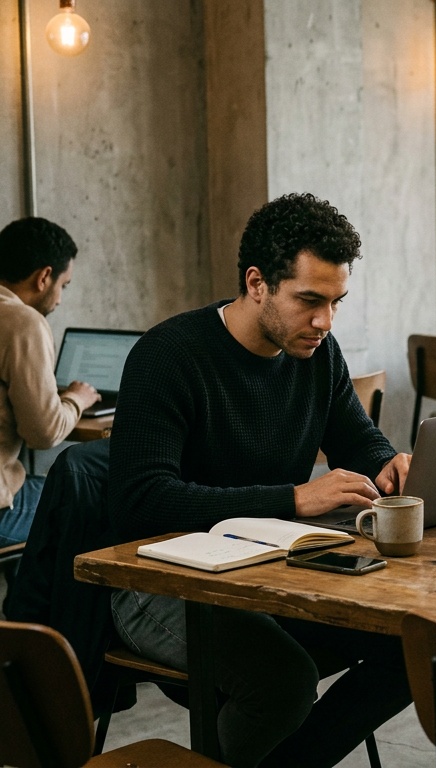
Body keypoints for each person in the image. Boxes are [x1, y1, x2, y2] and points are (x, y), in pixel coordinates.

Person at [106, 193, 412, 767]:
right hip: (161, 582)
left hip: (268, 569)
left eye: (336, 302)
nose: (325, 322)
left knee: (414, 642)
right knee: (282, 682)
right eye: (309, 300)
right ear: (256, 284)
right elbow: (141, 503)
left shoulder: (318, 354)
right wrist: (291, 498)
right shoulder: (168, 355)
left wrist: (387, 462)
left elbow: (357, 439)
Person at [0, 217, 101, 547]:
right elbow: (43, 433)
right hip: (2, 509)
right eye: (64, 285)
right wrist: (76, 398)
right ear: (44, 277)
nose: (59, 299)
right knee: (98, 504)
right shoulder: (22, 322)